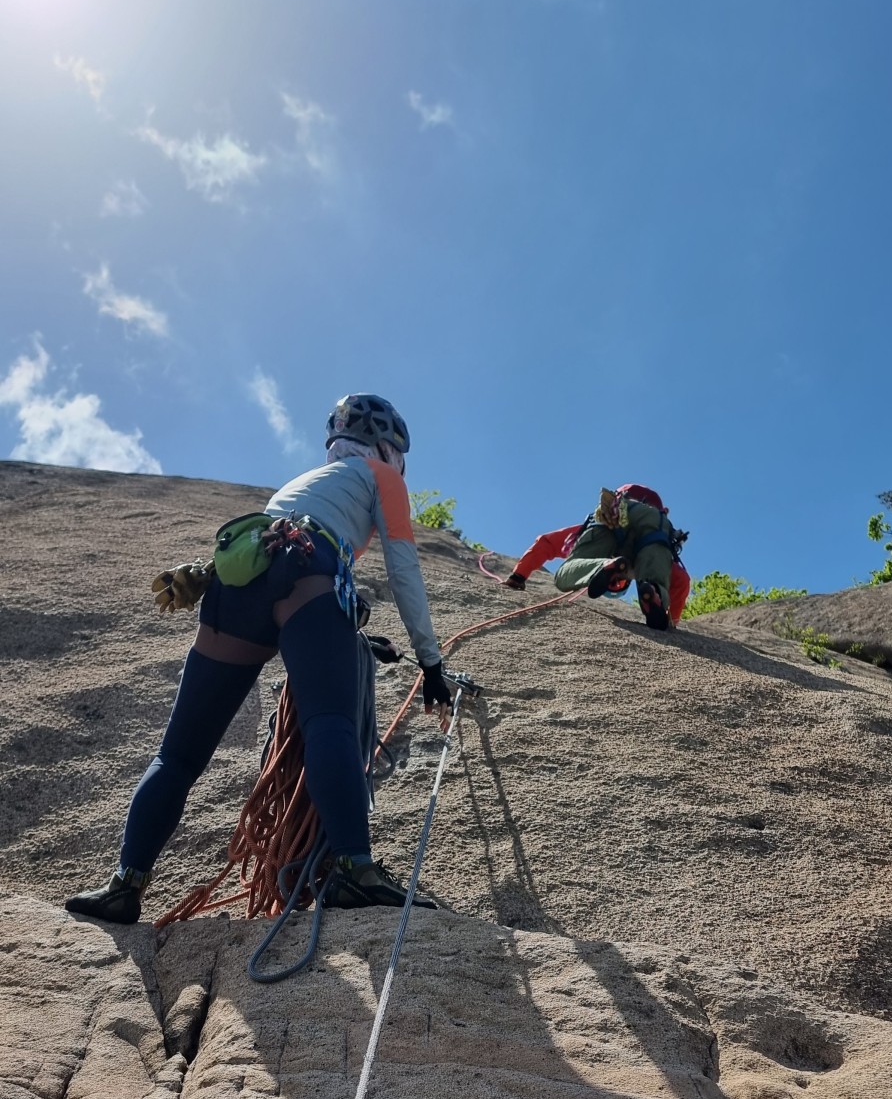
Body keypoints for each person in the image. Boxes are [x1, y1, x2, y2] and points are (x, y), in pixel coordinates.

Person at [65, 394, 453, 926]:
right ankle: (355, 871)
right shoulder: (379, 476)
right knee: (331, 723)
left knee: (178, 755)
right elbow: (400, 567)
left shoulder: (305, 483)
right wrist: (430, 664)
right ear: (388, 448)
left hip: (235, 580)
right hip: (308, 575)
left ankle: (124, 885)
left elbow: (283, 555)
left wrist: (355, 632)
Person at [505, 484, 690, 629]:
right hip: (656, 519)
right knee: (656, 573)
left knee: (569, 570)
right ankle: (656, 593)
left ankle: (602, 566)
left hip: (618, 509)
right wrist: (671, 620)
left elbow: (547, 542)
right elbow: (681, 580)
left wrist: (518, 576)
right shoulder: (654, 515)